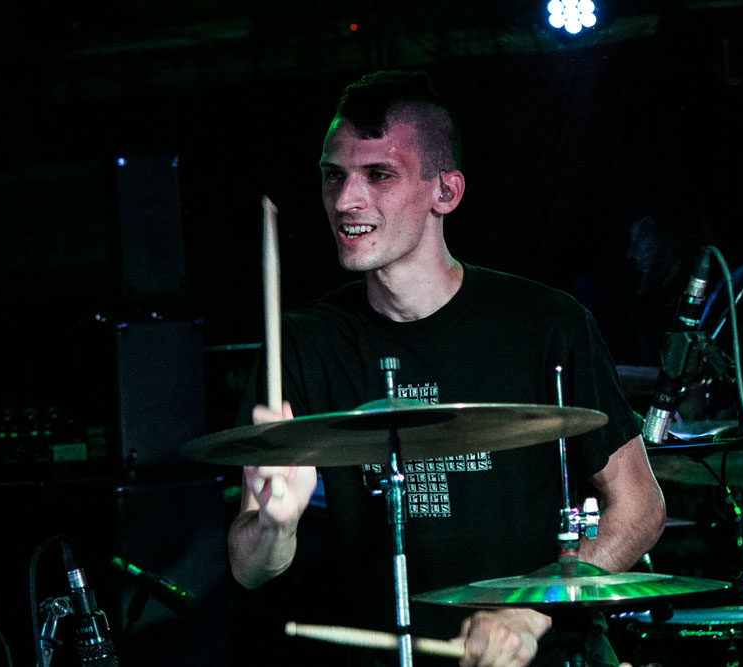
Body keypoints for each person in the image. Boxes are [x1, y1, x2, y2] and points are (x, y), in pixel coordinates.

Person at [227, 70, 666, 667]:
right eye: (335, 175)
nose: (346, 200)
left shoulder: (546, 324)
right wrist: (274, 527)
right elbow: (251, 569)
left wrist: (528, 612)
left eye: (379, 175)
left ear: (446, 193)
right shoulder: (304, 343)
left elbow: (640, 506)